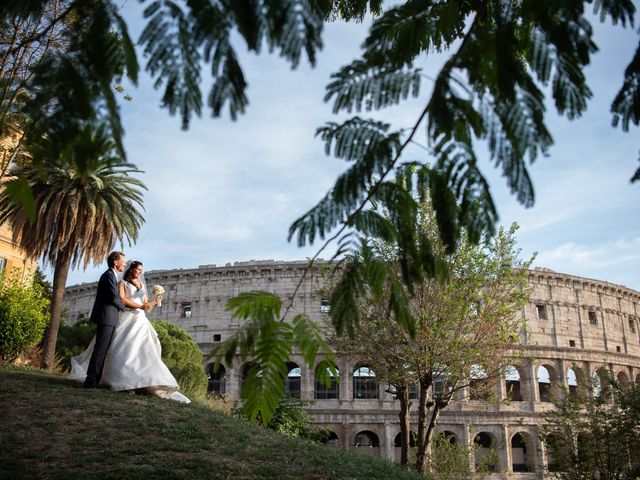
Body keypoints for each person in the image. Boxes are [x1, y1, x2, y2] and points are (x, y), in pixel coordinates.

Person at [69, 259, 190, 404]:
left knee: (143, 350)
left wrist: (156, 300)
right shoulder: (123, 283)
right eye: (138, 269)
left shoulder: (141, 285)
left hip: (140, 319)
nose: (139, 272)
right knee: (124, 348)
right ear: (131, 269)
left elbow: (146, 305)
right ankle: (121, 380)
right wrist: (140, 307)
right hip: (127, 317)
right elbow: (122, 300)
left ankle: (140, 381)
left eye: (141, 270)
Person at [83, 251, 126, 389]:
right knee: (100, 349)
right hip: (106, 317)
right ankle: (91, 381)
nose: (124, 264)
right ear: (115, 262)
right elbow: (113, 297)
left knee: (103, 349)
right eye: (122, 261)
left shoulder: (112, 276)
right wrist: (125, 308)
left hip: (109, 317)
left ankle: (96, 379)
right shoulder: (108, 276)